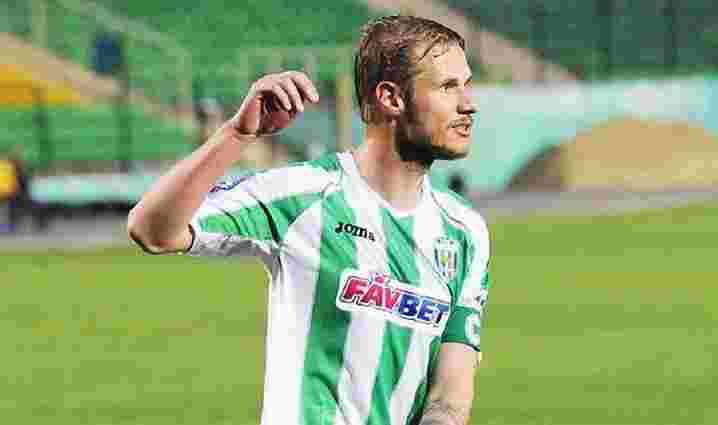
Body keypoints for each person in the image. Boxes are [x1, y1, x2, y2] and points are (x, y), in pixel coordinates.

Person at [127, 15, 490, 425]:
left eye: (467, 84)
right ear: (391, 97)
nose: (468, 103)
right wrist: (237, 134)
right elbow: (152, 230)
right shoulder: (302, 195)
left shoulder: (465, 232)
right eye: (448, 87)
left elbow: (450, 395)